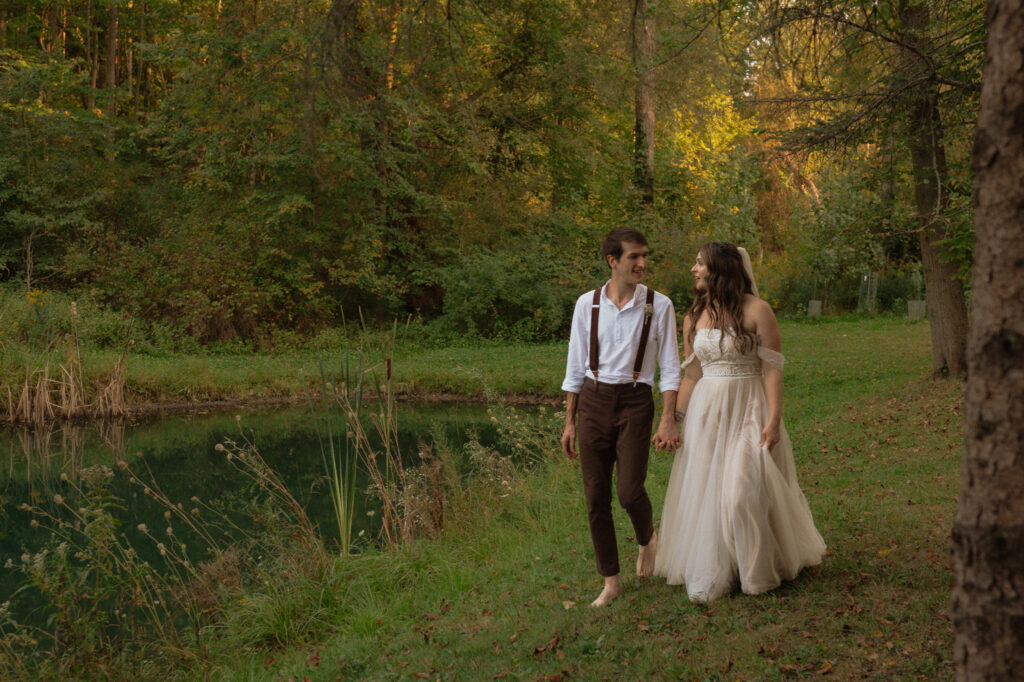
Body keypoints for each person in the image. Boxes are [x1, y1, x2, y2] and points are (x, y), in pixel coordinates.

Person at [654, 241, 825, 602]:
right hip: (706, 413)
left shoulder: (757, 310)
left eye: (699, 263)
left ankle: (757, 569)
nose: (693, 269)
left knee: (741, 493)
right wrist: (673, 419)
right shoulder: (693, 317)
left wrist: (774, 419)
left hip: (749, 408)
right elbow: (691, 375)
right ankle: (721, 568)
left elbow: (772, 370)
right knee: (708, 491)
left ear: (720, 269)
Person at [560, 226, 682, 607]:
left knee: (629, 492)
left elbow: (670, 367)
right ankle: (611, 580)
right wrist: (569, 421)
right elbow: (575, 366)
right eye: (634, 257)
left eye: (645, 256)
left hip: (635, 401)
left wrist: (668, 419)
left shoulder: (658, 305)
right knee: (596, 497)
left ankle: (647, 539)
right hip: (594, 403)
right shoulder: (587, 304)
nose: (642, 263)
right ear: (613, 261)